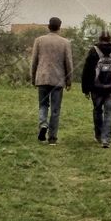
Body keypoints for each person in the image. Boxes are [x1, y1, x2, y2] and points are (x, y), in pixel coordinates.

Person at [30, 17, 74, 145]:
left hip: (42, 77)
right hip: (58, 79)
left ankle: (43, 124)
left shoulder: (39, 41)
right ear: (59, 27)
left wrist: (33, 78)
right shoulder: (65, 42)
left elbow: (34, 61)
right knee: (55, 109)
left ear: (48, 26)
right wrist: (69, 80)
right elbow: (69, 63)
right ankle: (53, 137)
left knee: (43, 105)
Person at [81, 30, 111, 148]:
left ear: (99, 38)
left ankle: (98, 135)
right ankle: (106, 139)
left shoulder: (93, 51)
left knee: (97, 110)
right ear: (110, 39)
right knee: (109, 113)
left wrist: (85, 88)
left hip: (96, 88)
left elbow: (87, 70)